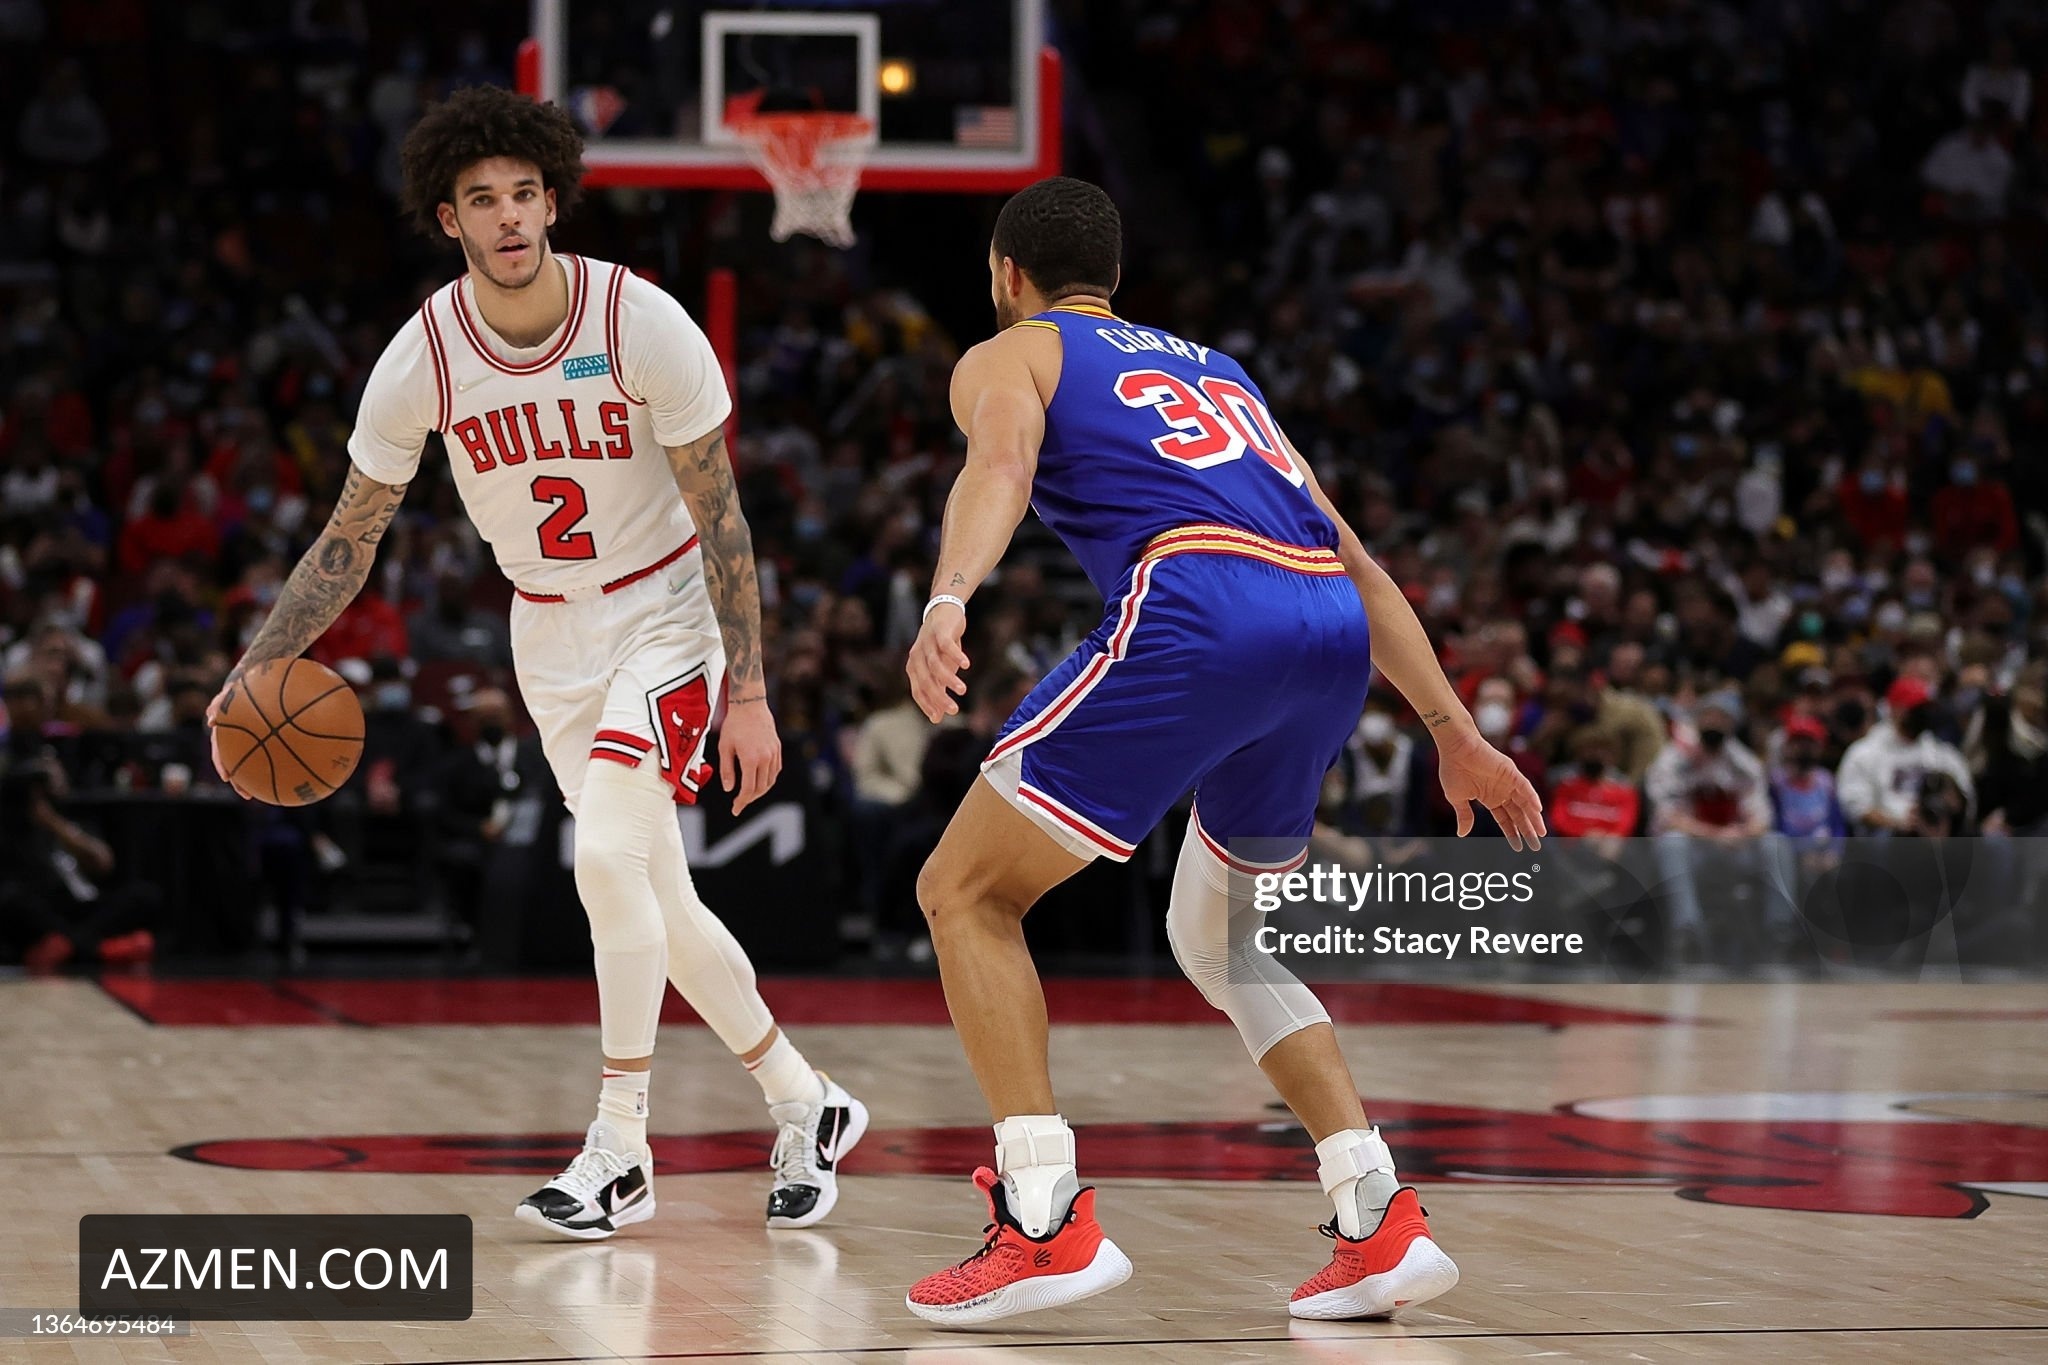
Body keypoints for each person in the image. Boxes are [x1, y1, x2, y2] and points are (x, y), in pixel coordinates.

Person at [203, 87, 863, 1240]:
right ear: (447, 219)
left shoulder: (639, 321)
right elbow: (350, 538)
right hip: (547, 632)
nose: (507, 217)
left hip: (666, 613)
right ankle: (806, 1100)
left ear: (552, 202)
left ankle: (619, 1147)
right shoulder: (423, 357)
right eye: (481, 200)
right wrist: (254, 666)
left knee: (603, 859)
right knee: (658, 900)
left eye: (523, 195)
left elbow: (722, 520)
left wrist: (751, 692)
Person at [902, 178, 1544, 1325]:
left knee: (964, 893)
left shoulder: (1011, 352)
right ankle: (1374, 1213)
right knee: (1221, 941)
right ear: (1115, 279)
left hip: (1199, 605)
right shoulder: (1219, 372)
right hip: (1325, 628)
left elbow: (996, 469)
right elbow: (1353, 556)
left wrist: (948, 596)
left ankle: (1042, 1221)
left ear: (1006, 274)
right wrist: (1453, 731)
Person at [1837, 676, 1974, 834]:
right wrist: (1899, 823)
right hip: (1886, 837)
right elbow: (1856, 807)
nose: (1923, 713)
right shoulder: (1864, 752)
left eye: (1927, 708)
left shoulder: (1941, 752)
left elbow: (1966, 797)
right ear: (1895, 710)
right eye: (1917, 708)